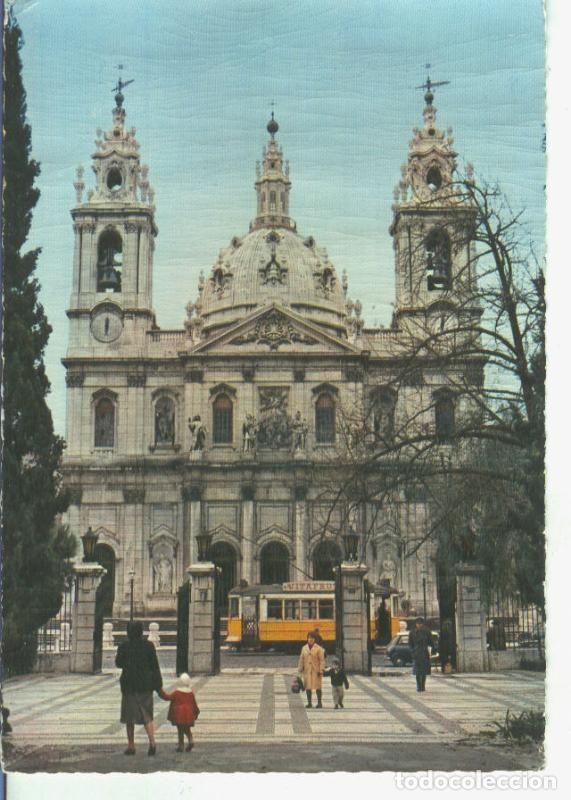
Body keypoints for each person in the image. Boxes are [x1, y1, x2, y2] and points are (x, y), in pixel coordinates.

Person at [115, 620, 163, 756]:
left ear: (128, 632)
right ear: (141, 632)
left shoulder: (124, 646)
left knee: (129, 717)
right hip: (145, 685)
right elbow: (155, 666)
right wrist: (158, 685)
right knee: (146, 715)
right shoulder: (148, 646)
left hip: (129, 685)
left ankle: (131, 745)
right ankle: (152, 742)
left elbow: (118, 663)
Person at [159, 673, 200, 752]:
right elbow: (194, 704)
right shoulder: (190, 693)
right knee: (187, 729)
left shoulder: (177, 692)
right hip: (188, 714)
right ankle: (190, 740)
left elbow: (168, 697)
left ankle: (181, 746)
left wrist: (161, 692)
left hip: (179, 714)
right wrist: (196, 712)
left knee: (180, 730)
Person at [297, 631, 325, 709]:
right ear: (307, 639)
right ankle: (309, 703)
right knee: (308, 687)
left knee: (318, 687)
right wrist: (299, 669)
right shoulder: (304, 648)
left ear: (315, 639)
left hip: (316, 671)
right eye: (309, 638)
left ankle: (319, 703)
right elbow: (301, 659)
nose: (310, 639)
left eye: (312, 638)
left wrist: (321, 670)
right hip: (307, 670)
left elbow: (322, 660)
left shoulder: (319, 648)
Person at [409, 617, 434, 693]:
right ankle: (418, 686)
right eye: (417, 624)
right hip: (416, 653)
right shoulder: (412, 632)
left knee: (424, 671)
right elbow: (410, 644)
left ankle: (423, 686)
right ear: (416, 624)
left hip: (424, 652)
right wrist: (412, 651)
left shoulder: (427, 631)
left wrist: (432, 650)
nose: (419, 625)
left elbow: (431, 642)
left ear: (422, 624)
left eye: (420, 624)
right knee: (417, 671)